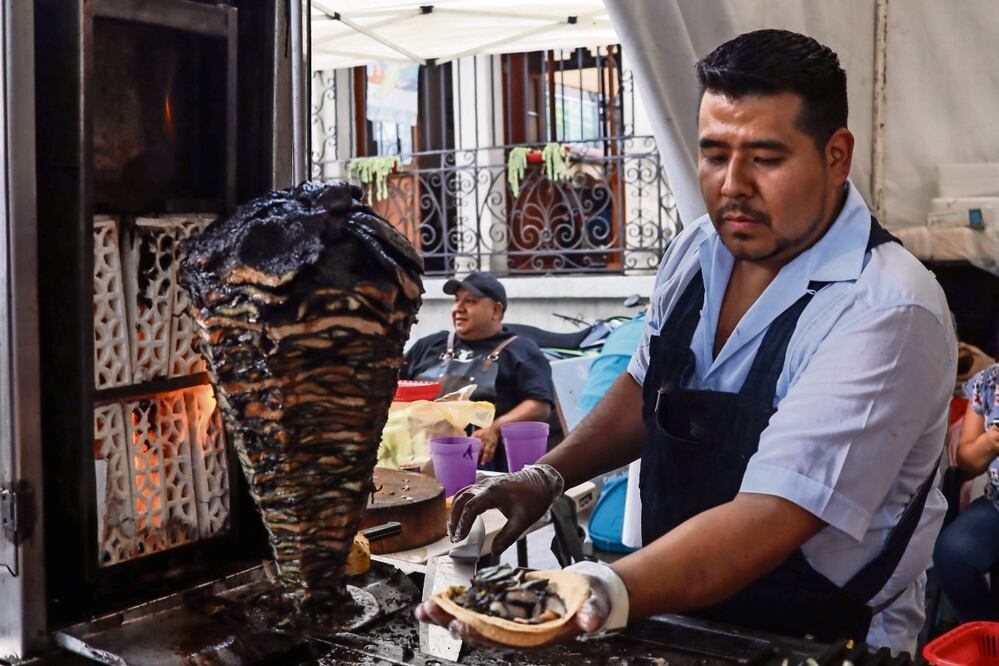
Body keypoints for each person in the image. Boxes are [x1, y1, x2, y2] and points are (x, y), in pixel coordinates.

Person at [417, 29, 956, 654]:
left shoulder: (887, 309)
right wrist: (544, 476)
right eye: (714, 154)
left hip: (817, 638)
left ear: (837, 155)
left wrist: (591, 591)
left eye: (767, 158)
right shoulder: (699, 250)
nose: (733, 185)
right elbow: (648, 388)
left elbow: (773, 515)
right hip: (671, 604)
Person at [401, 271, 554, 471]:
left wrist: (495, 428)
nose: (458, 309)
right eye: (457, 301)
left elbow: (539, 404)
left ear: (496, 311)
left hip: (481, 465)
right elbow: (394, 387)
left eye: (470, 301)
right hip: (415, 458)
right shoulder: (430, 345)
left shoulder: (520, 350)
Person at [933, 363, 999, 621]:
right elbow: (967, 463)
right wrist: (989, 442)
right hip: (996, 503)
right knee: (952, 553)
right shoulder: (989, 381)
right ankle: (986, 634)